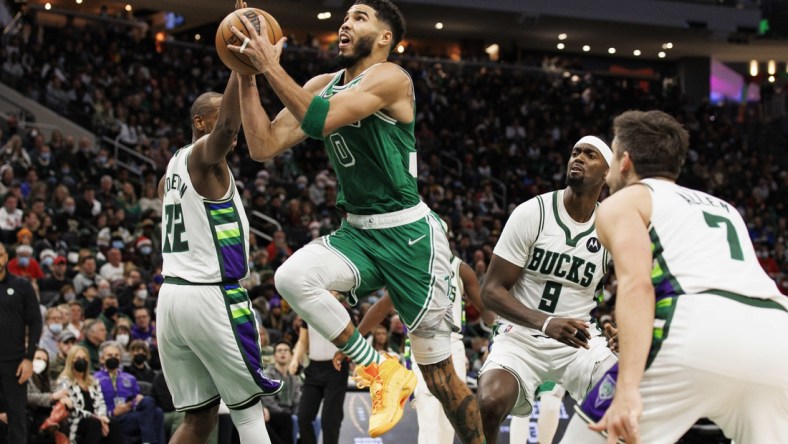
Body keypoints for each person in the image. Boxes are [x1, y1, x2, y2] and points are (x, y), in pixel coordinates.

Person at [228, 1, 482, 440]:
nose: (346, 23)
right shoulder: (322, 84)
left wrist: (270, 65)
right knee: (291, 277)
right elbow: (262, 145)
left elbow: (321, 119)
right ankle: (380, 370)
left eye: (360, 17)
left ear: (385, 37)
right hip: (358, 232)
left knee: (440, 378)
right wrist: (246, 71)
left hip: (409, 238)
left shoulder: (391, 77)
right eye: (345, 17)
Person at [560, 110, 788, 444]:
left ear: (624, 162)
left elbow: (637, 285)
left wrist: (626, 388)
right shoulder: (724, 207)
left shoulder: (623, 202)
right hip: (776, 336)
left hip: (693, 332)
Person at [156, 3, 281, 443]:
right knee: (249, 412)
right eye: (215, 116)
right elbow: (227, 128)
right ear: (198, 123)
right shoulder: (201, 158)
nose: (230, 123)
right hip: (208, 296)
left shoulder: (170, 169)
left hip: (171, 299)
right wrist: (242, 63)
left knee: (200, 417)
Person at [477, 136, 618, 443]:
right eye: (575, 152)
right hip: (521, 336)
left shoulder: (612, 226)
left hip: (579, 340)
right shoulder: (533, 212)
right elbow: (491, 291)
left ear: (607, 173)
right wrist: (544, 322)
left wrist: (617, 326)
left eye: (589, 155)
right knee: (489, 402)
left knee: (624, 392)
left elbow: (631, 287)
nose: (578, 158)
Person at [357, 221, 494, 444]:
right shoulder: (408, 268)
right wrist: (354, 337)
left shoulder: (460, 268)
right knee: (427, 409)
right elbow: (382, 306)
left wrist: (503, 333)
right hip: (421, 345)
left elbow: (485, 309)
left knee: (450, 416)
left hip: (453, 344)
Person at [0, 241, 42, 444]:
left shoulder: (21, 285)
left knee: (17, 418)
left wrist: (28, 359)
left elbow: (35, 322)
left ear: (6, 258)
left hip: (15, 363)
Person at [94, 341, 165, 444]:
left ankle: (149, 441)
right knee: (155, 414)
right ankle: (149, 441)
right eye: (110, 355)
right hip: (113, 417)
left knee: (153, 406)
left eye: (116, 355)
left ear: (120, 358)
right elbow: (93, 406)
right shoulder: (95, 379)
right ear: (102, 359)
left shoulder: (129, 378)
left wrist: (132, 403)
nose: (113, 357)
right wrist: (112, 412)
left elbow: (135, 398)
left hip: (130, 413)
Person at [289, 322, 347, 444]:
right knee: (303, 417)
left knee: (330, 419)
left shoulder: (341, 311)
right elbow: (302, 341)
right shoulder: (307, 313)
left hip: (336, 367)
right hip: (313, 367)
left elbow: (352, 338)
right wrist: (295, 359)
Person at [57, 345, 123, 444]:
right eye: (78, 358)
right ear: (71, 361)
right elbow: (71, 408)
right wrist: (95, 417)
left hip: (96, 419)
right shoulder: (64, 381)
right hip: (76, 420)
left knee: (113, 423)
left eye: (84, 358)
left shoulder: (93, 382)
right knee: (94, 423)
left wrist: (102, 418)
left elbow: (101, 403)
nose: (82, 361)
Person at [262, 341, 301, 444]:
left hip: (288, 413)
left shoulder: (294, 378)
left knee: (306, 418)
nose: (283, 353)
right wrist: (284, 412)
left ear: (291, 355)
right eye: (279, 351)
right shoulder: (268, 374)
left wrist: (296, 413)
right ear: (274, 356)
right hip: (272, 413)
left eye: (286, 350)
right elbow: (268, 401)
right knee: (285, 418)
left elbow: (297, 400)